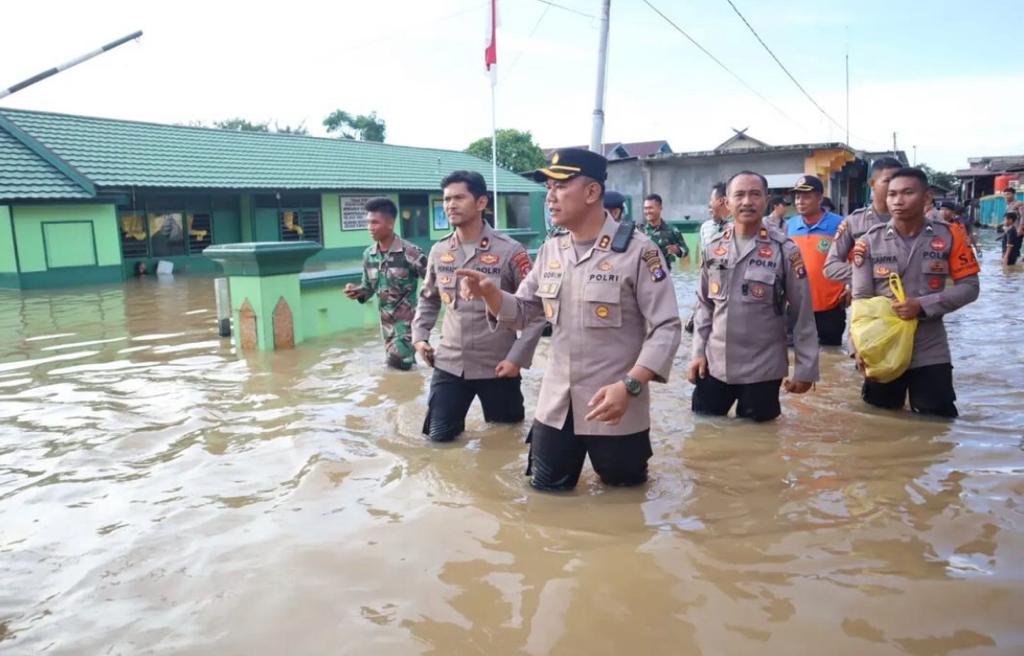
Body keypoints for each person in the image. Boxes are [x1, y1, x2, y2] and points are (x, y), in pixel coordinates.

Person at [458, 148, 681, 491]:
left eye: (559, 187)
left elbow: (666, 327)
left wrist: (631, 385)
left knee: (624, 508)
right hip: (556, 407)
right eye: (548, 188)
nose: (550, 198)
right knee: (545, 501)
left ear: (592, 192)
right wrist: (491, 293)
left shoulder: (640, 251)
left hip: (616, 409)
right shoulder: (552, 251)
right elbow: (523, 313)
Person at [412, 171, 545, 442]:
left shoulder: (510, 251)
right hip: (449, 362)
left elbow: (536, 310)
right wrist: (420, 337)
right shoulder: (439, 251)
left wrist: (517, 358)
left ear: (481, 202)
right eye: (447, 199)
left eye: (459, 197)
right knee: (439, 441)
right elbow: (428, 298)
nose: (450, 204)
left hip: (498, 365)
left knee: (506, 440)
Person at [689, 171, 818, 422]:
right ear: (727, 202)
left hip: (763, 371)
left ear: (766, 200)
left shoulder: (785, 250)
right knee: (703, 436)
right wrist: (697, 353)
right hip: (714, 366)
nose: (747, 201)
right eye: (739, 195)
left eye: (755, 194)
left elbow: (802, 312)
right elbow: (704, 305)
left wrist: (806, 369)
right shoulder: (714, 247)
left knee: (760, 445)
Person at [851, 167, 980, 418]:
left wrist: (922, 305)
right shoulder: (868, 242)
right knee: (880, 422)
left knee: (937, 423)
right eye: (892, 194)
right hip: (881, 347)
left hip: (930, 347)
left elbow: (970, 287)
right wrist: (858, 348)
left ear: (926, 196)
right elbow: (861, 301)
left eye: (907, 193)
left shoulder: (950, 235)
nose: (898, 201)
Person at [344, 197, 428, 370]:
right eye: (368, 222)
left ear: (390, 223)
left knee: (397, 370)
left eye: (375, 222)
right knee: (402, 374)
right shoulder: (369, 255)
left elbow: (434, 284)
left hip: (406, 328)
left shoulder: (410, 253)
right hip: (386, 330)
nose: (370, 227)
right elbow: (368, 288)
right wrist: (357, 291)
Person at [824, 156, 902, 296]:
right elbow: (831, 267)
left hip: (908, 305)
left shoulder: (912, 221)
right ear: (872, 183)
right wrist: (870, 272)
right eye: (888, 181)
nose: (895, 186)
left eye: (900, 181)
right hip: (868, 307)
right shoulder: (855, 222)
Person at [785, 175, 848, 345]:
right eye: (797, 197)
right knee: (794, 358)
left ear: (819, 198)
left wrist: (850, 287)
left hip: (830, 307)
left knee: (831, 359)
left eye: (806, 196)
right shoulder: (789, 226)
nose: (800, 201)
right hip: (797, 307)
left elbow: (855, 260)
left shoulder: (839, 224)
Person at [641, 193, 689, 269]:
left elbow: (685, 251)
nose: (647, 211)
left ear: (660, 208)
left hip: (665, 276)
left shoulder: (671, 230)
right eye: (645, 208)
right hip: (644, 275)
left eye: (650, 208)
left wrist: (678, 251)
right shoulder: (640, 231)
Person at [699, 182, 730, 259]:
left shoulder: (738, 226)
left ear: (722, 201)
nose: (709, 204)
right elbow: (704, 256)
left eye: (711, 200)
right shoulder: (705, 227)